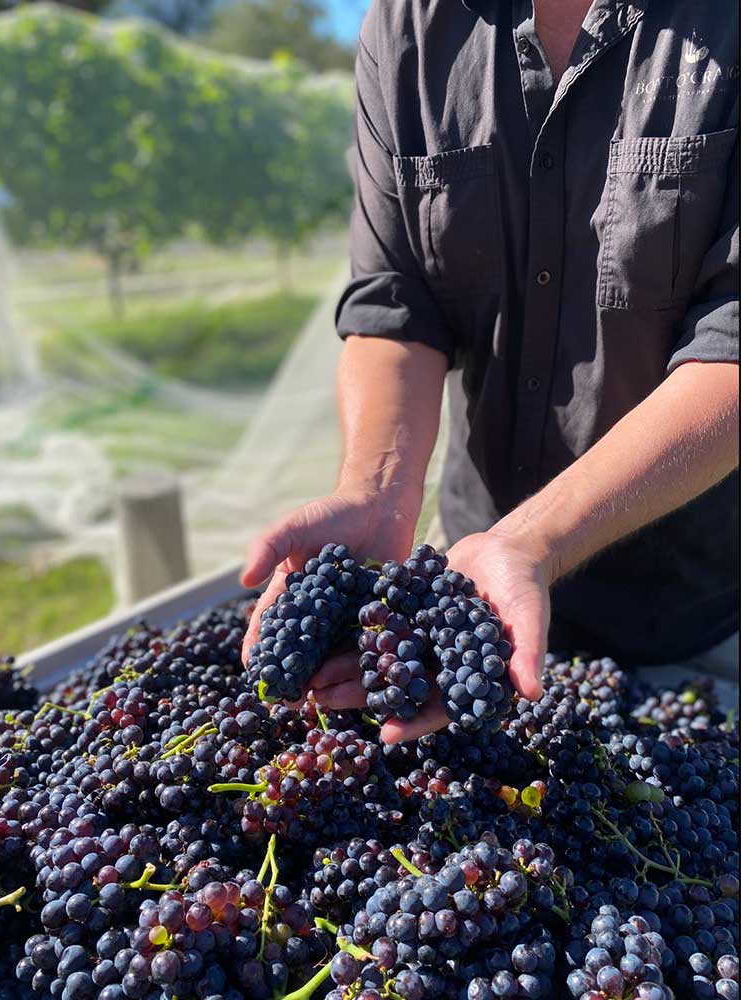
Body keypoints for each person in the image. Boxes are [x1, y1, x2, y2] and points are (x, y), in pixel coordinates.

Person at [241, 0, 739, 743]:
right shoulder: (410, 27)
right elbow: (395, 297)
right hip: (475, 588)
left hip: (693, 611)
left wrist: (536, 538)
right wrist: (377, 494)